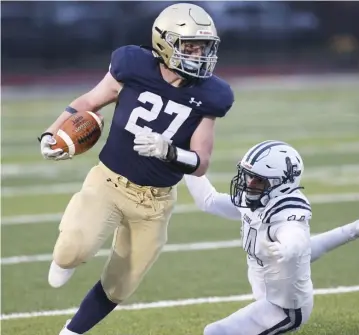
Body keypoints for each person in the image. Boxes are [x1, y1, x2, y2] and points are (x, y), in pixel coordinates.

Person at [38, 3, 234, 334]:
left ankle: (71, 332)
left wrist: (169, 152)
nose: (199, 55)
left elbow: (200, 163)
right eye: (190, 47)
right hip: (109, 183)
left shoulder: (213, 95)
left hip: (156, 203)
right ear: (164, 43)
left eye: (204, 47)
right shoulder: (132, 65)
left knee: (121, 284)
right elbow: (89, 103)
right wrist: (51, 132)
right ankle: (64, 259)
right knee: (73, 249)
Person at [184, 140, 359, 335]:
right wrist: (186, 164)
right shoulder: (258, 201)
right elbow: (209, 201)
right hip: (268, 295)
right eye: (249, 176)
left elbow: (294, 236)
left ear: (281, 184)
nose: (249, 184)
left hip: (285, 309)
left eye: (259, 180)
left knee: (215, 332)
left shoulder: (286, 213)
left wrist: (287, 248)